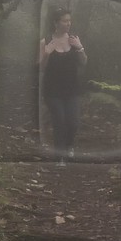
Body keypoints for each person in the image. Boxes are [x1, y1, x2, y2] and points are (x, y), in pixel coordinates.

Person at [38, 9, 87, 159]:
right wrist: (46, 53)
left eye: (69, 21)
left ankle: (69, 145)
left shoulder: (73, 39)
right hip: (52, 90)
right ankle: (60, 156)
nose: (68, 23)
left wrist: (80, 47)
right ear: (56, 23)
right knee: (59, 121)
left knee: (73, 122)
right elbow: (40, 68)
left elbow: (83, 62)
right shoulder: (45, 41)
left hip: (72, 89)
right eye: (65, 21)